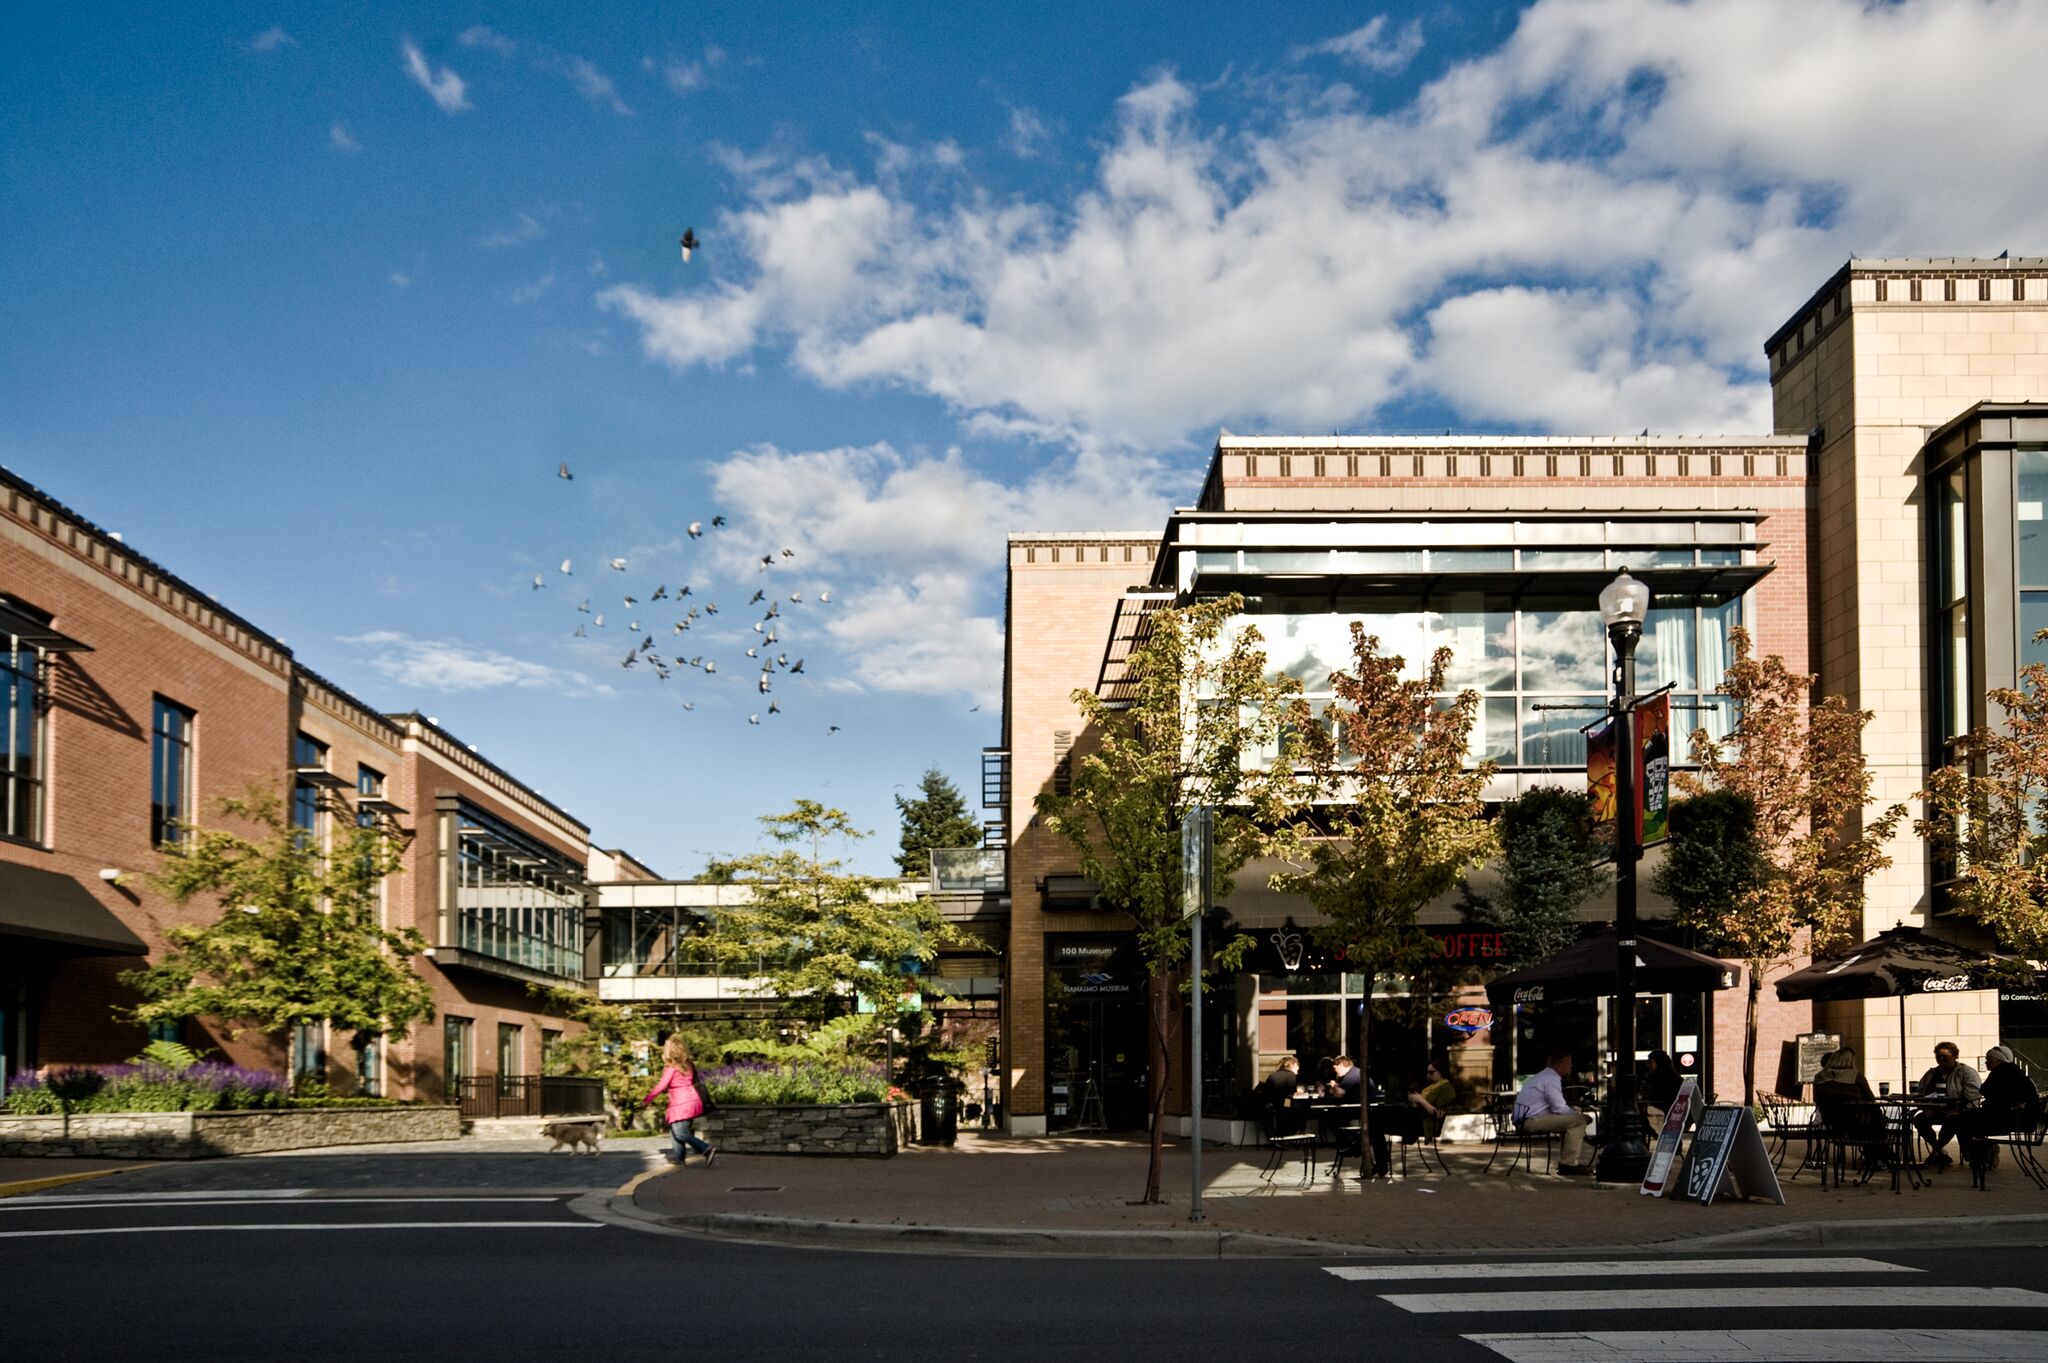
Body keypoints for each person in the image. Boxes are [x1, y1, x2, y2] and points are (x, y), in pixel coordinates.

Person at [1952, 1046, 2043, 1172]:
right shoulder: (2013, 1072)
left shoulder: (2001, 1072)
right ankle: (1981, 1155)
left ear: (1999, 1061)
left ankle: (1976, 1158)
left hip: (2012, 1120)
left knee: (1961, 1121)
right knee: (1968, 1120)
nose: (1986, 1062)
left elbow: (1985, 1090)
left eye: (1989, 1059)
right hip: (2020, 1119)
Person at [1512, 1049, 1592, 1174]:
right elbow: (1559, 1107)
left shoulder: (1543, 1076)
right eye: (1568, 1063)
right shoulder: (1551, 1079)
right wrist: (1579, 1116)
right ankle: (1569, 1164)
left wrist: (1573, 1113)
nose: (1570, 1066)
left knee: (1572, 1121)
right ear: (1559, 1064)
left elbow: (1556, 1108)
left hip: (1525, 1119)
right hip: (1529, 1121)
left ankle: (1568, 1162)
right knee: (1578, 1121)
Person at [644, 1035, 717, 1167]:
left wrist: (648, 1099)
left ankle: (706, 1149)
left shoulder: (671, 1067)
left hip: (680, 1103)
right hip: (692, 1100)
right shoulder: (689, 1065)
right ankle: (679, 1159)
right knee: (675, 1130)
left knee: (680, 1132)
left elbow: (662, 1085)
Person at [1912, 1040, 1983, 1170]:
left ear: (1955, 1056)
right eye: (1938, 1055)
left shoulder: (1966, 1072)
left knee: (1952, 1121)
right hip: (1935, 1111)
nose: (1941, 1058)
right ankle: (1938, 1149)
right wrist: (1925, 1107)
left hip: (1958, 1111)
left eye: (1945, 1056)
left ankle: (1936, 1151)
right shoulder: (1931, 1074)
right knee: (1919, 1120)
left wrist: (1959, 1110)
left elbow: (1973, 1096)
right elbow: (1920, 1093)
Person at [1323, 1055, 1391, 1176]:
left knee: (1330, 1119)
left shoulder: (1352, 1075)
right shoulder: (1353, 1074)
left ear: (1342, 1065)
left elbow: (1338, 1092)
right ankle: (1355, 1146)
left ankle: (1352, 1145)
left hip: (1364, 1112)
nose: (1335, 1072)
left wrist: (1334, 1086)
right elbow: (1335, 1093)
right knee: (1374, 1132)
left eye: (1336, 1068)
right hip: (1366, 1112)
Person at [1407, 1058, 1459, 1134]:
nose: (1428, 1075)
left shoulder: (1446, 1088)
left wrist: (1421, 1100)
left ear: (1440, 1072)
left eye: (1431, 1072)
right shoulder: (1432, 1086)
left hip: (1428, 1124)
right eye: (1427, 1072)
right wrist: (1415, 1099)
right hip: (1419, 1119)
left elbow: (1438, 1114)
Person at [1641, 1050, 1682, 1135]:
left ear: (1660, 1063)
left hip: (1670, 1113)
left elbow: (1666, 1099)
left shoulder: (1670, 1080)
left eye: (1651, 1062)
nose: (1648, 1065)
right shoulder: (1651, 1078)